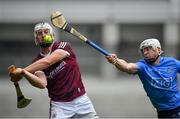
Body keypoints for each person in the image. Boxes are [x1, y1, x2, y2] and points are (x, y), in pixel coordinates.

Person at [9, 22, 98, 119]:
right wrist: (23, 73)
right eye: (39, 33)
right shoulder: (36, 62)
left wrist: (21, 71)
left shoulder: (63, 46)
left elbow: (48, 61)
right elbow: (42, 84)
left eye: (46, 32)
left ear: (53, 36)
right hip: (60, 106)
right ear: (36, 40)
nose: (43, 35)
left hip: (81, 101)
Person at [105, 38, 180, 118]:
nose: (145, 53)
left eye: (148, 49)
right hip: (162, 112)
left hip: (177, 109)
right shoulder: (142, 66)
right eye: (143, 51)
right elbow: (127, 67)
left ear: (158, 50)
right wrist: (115, 61)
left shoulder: (172, 63)